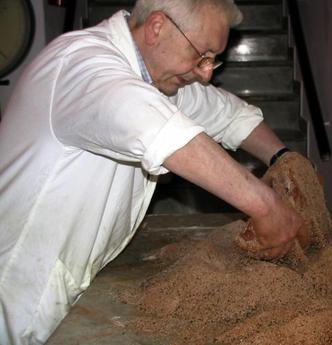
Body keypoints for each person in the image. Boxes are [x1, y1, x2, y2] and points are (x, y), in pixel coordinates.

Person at [0, 0, 304, 343]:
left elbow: (229, 114)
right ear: (157, 27)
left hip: (62, 288)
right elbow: (155, 128)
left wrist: (283, 159)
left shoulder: (159, 79)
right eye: (201, 55)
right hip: (14, 299)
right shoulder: (80, 64)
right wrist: (265, 206)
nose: (207, 73)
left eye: (212, 59)